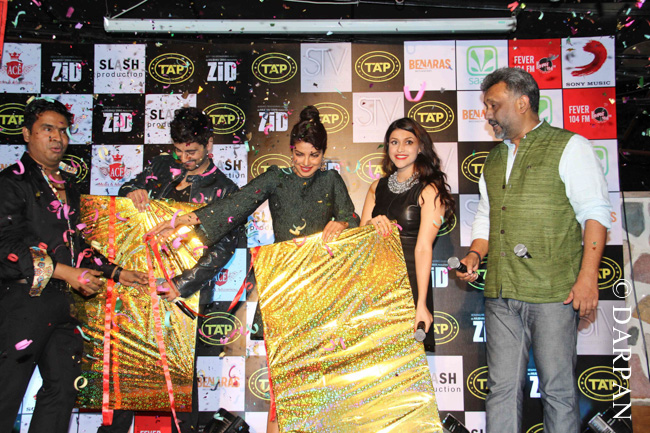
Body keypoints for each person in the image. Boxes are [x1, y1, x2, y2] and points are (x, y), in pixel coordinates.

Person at [147, 105, 359, 433]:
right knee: (281, 381)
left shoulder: (331, 180)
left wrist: (342, 223)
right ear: (291, 151)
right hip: (283, 289)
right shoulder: (277, 178)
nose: (305, 162)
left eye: (314, 155)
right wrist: (186, 219)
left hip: (320, 287)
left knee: (319, 379)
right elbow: (237, 204)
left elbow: (352, 217)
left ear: (323, 154)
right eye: (299, 154)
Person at [455, 67, 611, 433]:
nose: (487, 113)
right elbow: (486, 216)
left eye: (494, 105)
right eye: (486, 106)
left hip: (553, 293)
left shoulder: (570, 146)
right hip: (501, 294)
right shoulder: (494, 159)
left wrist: (588, 277)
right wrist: (476, 254)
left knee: (557, 390)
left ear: (522, 103)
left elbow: (595, 214)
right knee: (501, 390)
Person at [0, 98, 147, 433]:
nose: (58, 137)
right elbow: (6, 246)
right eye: (47, 129)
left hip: (64, 303)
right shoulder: (11, 183)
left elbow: (78, 247)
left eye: (63, 130)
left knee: (63, 390)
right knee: (7, 392)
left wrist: (117, 272)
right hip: (22, 302)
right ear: (27, 134)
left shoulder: (68, 185)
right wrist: (66, 272)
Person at [98, 107, 241, 432]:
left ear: (209, 144)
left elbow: (223, 248)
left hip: (183, 300)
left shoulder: (225, 189)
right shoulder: (161, 166)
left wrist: (181, 284)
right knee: (127, 378)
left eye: (192, 151)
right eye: (179, 150)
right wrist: (130, 191)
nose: (185, 158)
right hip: (140, 288)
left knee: (182, 388)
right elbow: (125, 196)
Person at [360, 117, 454, 352]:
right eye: (394, 142)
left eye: (408, 142)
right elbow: (359, 241)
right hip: (375, 285)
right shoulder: (376, 188)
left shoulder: (429, 190)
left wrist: (421, 303)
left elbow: (423, 248)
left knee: (405, 365)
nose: (400, 148)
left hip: (409, 287)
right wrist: (371, 224)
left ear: (420, 147)